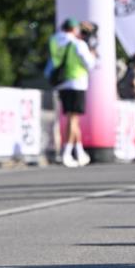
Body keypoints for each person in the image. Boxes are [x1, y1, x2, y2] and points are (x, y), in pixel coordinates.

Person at [49, 17, 96, 167]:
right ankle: (67, 152)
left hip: (62, 82)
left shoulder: (54, 40)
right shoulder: (78, 43)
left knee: (73, 118)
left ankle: (79, 151)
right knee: (73, 119)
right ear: (74, 29)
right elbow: (90, 63)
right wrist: (92, 49)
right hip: (76, 81)